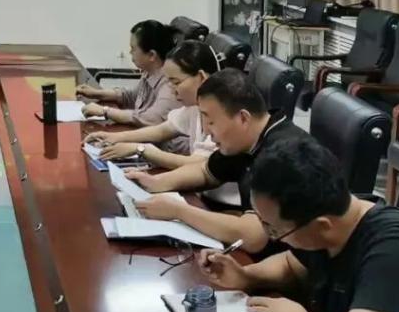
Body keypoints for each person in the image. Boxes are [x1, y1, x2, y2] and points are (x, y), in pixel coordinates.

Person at [199, 137, 399, 312]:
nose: (273, 237)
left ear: (322, 226)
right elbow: (290, 265)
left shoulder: (395, 251)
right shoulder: (329, 216)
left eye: (275, 230)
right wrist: (246, 276)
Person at [125, 68, 305, 252]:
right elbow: (205, 171)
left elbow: (252, 236)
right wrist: (155, 182)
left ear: (243, 118)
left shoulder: (283, 154)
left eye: (211, 122)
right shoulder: (247, 138)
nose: (206, 131)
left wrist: (178, 211)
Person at [84, 39, 218, 168]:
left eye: (176, 82)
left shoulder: (221, 114)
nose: (172, 90)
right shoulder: (194, 108)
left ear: (202, 77)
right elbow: (162, 130)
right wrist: (114, 137)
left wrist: (141, 149)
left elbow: (198, 164)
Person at [77, 19, 180, 128]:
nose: (130, 52)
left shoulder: (169, 84)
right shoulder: (149, 72)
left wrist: (105, 111)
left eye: (133, 48)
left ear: (151, 55)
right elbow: (131, 97)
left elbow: (152, 119)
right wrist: (96, 93)